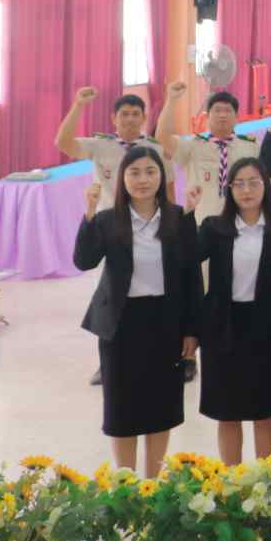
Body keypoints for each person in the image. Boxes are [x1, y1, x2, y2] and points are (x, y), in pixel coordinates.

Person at [74, 145, 202, 476]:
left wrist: (192, 330)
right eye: (134, 173)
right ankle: (126, 483)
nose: (142, 180)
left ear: (161, 176)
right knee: (121, 407)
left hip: (165, 322)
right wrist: (89, 213)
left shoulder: (178, 218)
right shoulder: (108, 220)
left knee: (162, 405)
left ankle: (152, 483)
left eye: (150, 172)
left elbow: (191, 276)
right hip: (121, 324)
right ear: (122, 178)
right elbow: (84, 261)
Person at [195, 157, 271, 462]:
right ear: (229, 189)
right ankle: (233, 480)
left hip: (268, 330)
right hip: (223, 330)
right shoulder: (214, 228)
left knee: (265, 411)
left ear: (266, 186)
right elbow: (185, 259)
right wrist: (188, 213)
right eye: (239, 184)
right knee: (227, 412)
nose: (246, 190)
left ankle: (266, 480)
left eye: (253, 183)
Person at [152, 84, 260, 224]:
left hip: (240, 223)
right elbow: (162, 137)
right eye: (217, 110)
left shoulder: (251, 147)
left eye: (228, 111)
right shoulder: (193, 146)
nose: (222, 115)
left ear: (237, 118)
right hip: (202, 223)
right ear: (207, 117)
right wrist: (171, 100)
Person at [55, 86, 164, 213]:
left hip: (144, 217)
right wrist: (78, 105)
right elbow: (63, 143)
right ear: (113, 119)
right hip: (107, 217)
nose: (130, 119)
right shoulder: (100, 145)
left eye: (135, 114)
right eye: (124, 114)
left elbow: (165, 187)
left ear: (144, 118)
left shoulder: (155, 148)